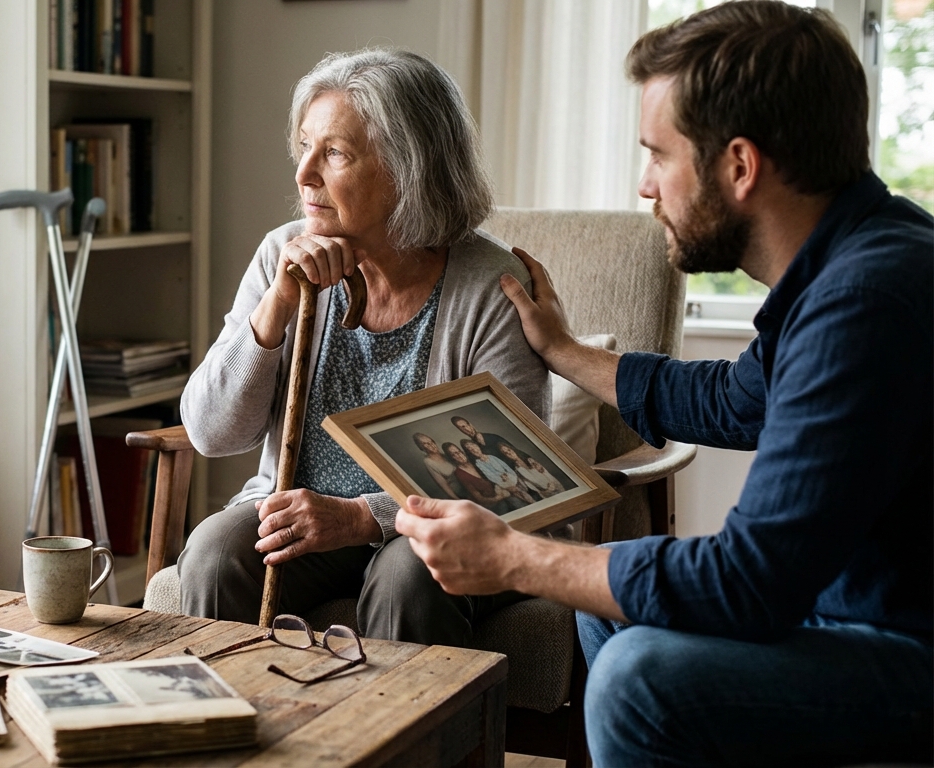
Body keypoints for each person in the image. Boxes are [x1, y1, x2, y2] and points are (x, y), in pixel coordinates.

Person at [396, 3, 932, 764]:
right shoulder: (847, 261)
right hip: (851, 609)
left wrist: (516, 556)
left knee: (637, 679)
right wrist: (564, 350)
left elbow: (751, 581)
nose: (644, 185)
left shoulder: (865, 302)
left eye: (658, 154)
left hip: (903, 646)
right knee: (609, 617)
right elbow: (730, 400)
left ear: (739, 166)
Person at [176, 48, 547, 649]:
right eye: (304, 147)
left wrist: (358, 518)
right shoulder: (283, 253)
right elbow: (210, 434)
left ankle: (398, 743)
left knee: (409, 573)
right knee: (215, 553)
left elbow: (513, 482)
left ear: (409, 169)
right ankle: (226, 734)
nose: (304, 175)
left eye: (336, 153)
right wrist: (276, 308)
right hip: (299, 519)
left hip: (434, 528)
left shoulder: (491, 285)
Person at [442, 441, 510, 512]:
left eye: (458, 451)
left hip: (500, 491)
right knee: (504, 506)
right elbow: (479, 498)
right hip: (488, 504)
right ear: (451, 458)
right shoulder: (459, 474)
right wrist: (498, 498)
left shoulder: (474, 461)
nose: (459, 455)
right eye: (454, 454)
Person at [464, 439, 532, 509]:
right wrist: (505, 484)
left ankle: (531, 502)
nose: (474, 450)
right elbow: (490, 476)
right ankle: (528, 504)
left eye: (474, 447)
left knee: (520, 490)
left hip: (511, 477)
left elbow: (506, 467)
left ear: (478, 446)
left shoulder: (492, 457)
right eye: (471, 450)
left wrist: (513, 477)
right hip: (500, 483)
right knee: (515, 494)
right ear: (470, 453)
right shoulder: (478, 464)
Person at [414, 432, 462, 500]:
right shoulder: (429, 462)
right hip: (459, 494)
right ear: (421, 447)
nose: (431, 445)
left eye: (431, 442)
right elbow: (443, 485)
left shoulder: (445, 454)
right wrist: (457, 499)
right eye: (425, 444)